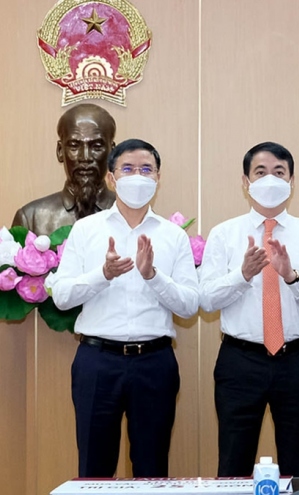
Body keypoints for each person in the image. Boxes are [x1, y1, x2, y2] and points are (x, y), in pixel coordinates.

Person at [47, 139, 199, 477]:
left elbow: (190, 305)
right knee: (94, 469)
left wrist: (153, 276)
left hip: (154, 363)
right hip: (97, 361)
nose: (138, 176)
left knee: (152, 468)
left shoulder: (173, 236)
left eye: (146, 169)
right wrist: (103, 274)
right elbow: (62, 296)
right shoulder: (86, 229)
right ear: (112, 178)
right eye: (128, 169)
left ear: (158, 178)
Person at [199, 142, 299, 477]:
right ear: (245, 181)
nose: (270, 180)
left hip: (297, 362)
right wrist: (242, 274)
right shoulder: (225, 234)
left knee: (298, 463)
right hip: (240, 361)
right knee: (233, 462)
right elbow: (206, 300)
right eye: (260, 172)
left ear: (291, 181)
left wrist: (292, 277)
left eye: (279, 172)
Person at [13, 103, 116, 235]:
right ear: (60, 151)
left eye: (96, 146)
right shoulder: (31, 218)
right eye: (74, 146)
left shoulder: (133, 215)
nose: (85, 158)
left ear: (112, 153)